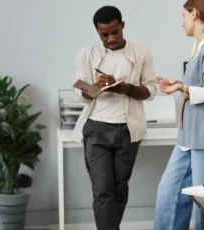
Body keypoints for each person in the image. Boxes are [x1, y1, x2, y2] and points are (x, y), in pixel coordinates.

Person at [71, 5, 158, 230]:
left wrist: (127, 88)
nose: (111, 38)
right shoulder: (86, 54)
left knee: (119, 188)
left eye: (115, 32)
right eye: (104, 35)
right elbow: (80, 93)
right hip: (96, 129)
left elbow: (150, 91)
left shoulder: (141, 53)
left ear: (122, 26)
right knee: (102, 190)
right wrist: (95, 87)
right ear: (97, 32)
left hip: (127, 130)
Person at [154, 0, 204, 229]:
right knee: (168, 196)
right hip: (188, 136)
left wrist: (183, 89)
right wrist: (181, 83)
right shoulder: (199, 47)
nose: (182, 23)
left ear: (194, 13)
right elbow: (202, 85)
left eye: (184, 16)